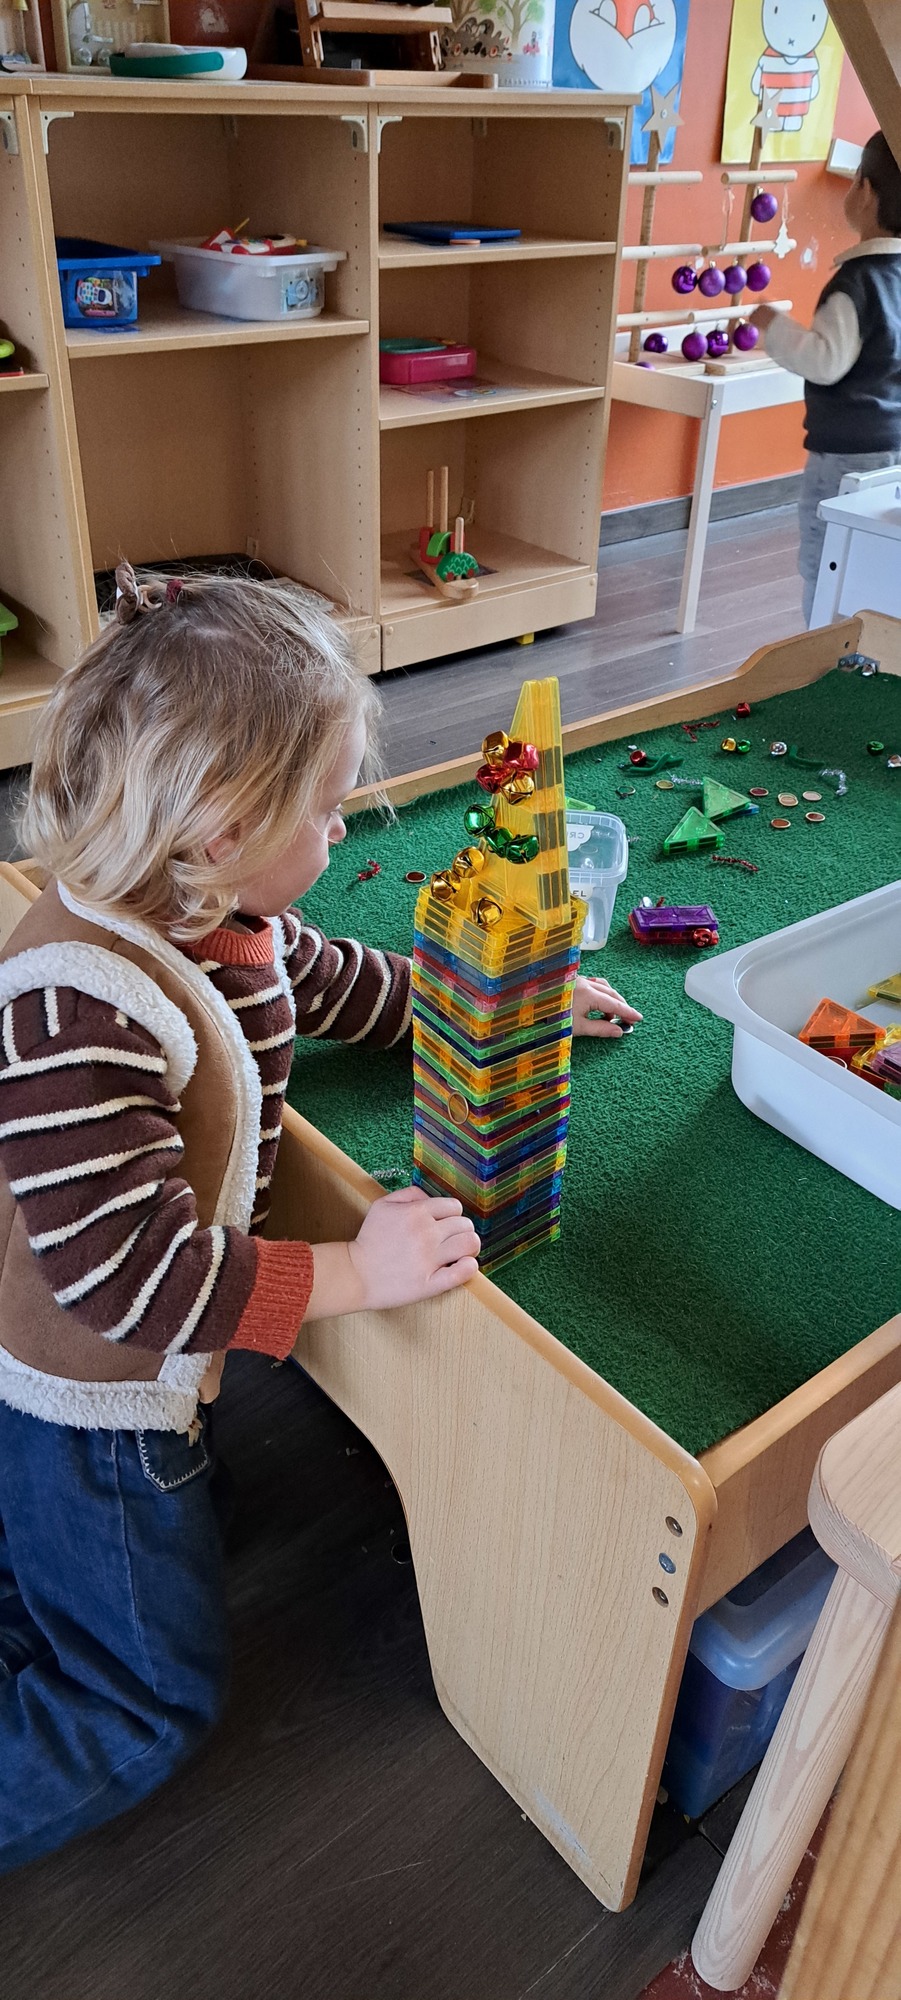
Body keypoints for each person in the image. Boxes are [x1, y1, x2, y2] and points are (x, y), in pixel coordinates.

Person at [0, 566, 640, 1874]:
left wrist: (497, 1003)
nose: (343, 831)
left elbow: (330, 979)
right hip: (84, 1406)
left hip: (119, 1402)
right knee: (145, 1696)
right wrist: (355, 1269)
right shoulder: (78, 1003)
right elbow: (130, 1281)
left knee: (99, 1564)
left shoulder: (211, 900)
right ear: (223, 824)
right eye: (330, 806)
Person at [751, 130, 901, 625]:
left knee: (827, 563)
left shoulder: (856, 283)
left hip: (845, 456)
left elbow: (824, 360)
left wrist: (773, 327)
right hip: (895, 448)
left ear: (865, 192)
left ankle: (823, 645)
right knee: (881, 559)